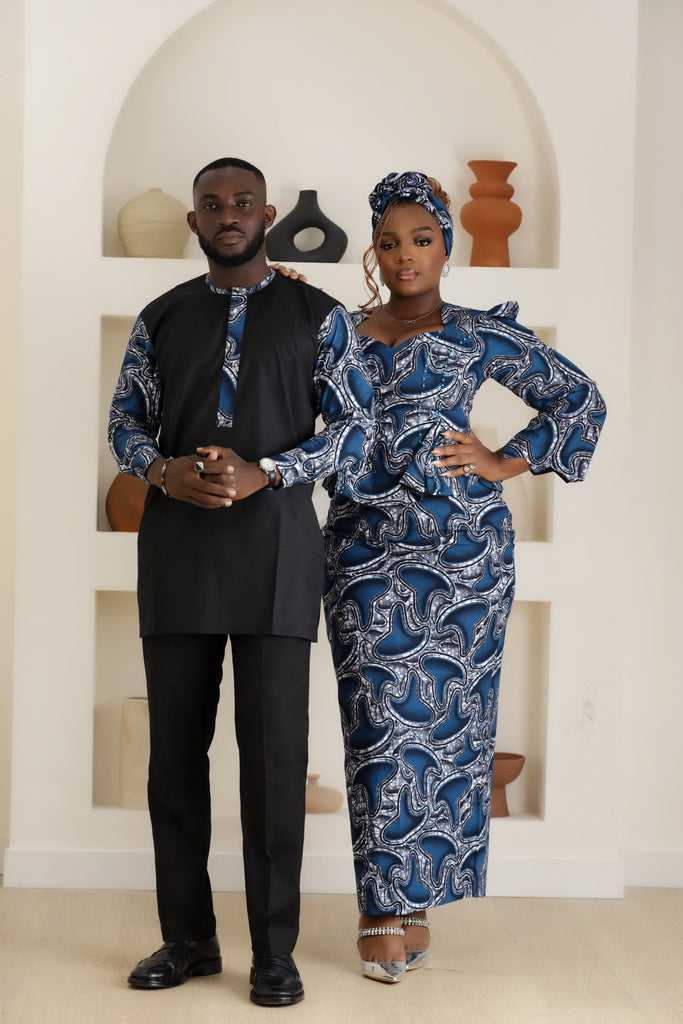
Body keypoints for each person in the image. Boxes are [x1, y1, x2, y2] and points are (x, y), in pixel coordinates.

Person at [224, 171, 606, 984]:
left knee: (448, 732)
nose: (406, 256)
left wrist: (502, 460)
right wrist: (283, 292)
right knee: (378, 728)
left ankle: (415, 899)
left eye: (421, 240)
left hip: (465, 556)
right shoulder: (338, 331)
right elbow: (282, 360)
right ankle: (380, 906)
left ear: (446, 246)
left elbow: (578, 401)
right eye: (390, 242)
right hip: (362, 549)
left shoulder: (478, 334)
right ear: (373, 251)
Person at [108, 157, 377, 1007]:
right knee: (174, 763)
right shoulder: (160, 317)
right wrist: (162, 470)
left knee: (273, 763)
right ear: (194, 221)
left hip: (276, 553)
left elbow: (356, 425)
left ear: (267, 214)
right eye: (213, 204)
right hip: (177, 553)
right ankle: (187, 940)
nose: (229, 214)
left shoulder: (318, 315)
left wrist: (271, 470)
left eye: (244, 202)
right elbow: (124, 420)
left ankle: (273, 952)